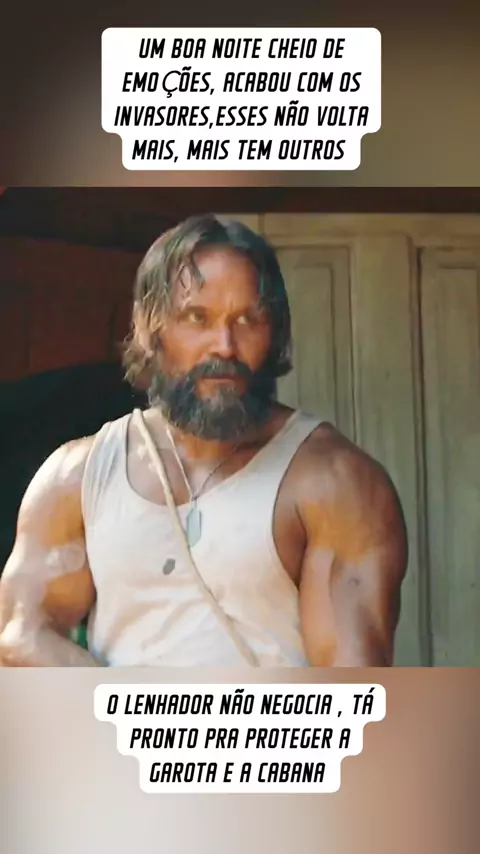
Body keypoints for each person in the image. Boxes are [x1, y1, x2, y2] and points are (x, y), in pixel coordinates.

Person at [0, 215, 408, 667]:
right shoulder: (78, 477)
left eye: (247, 319)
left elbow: (353, 680)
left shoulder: (333, 481)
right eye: (198, 318)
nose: (225, 346)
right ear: (152, 328)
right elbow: (20, 637)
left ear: (273, 335)